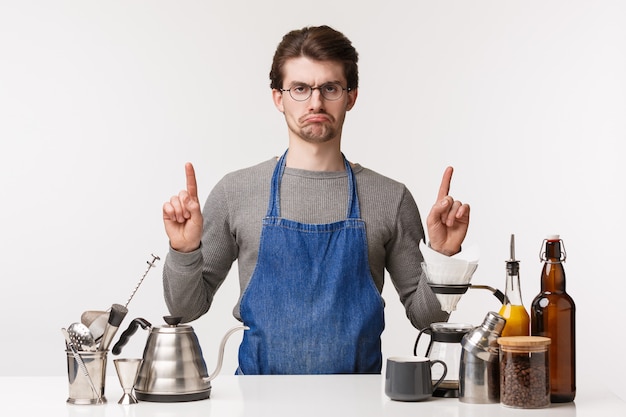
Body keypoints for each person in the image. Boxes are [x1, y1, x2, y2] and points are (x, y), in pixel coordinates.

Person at [162, 25, 470, 375]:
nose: (316, 102)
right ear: (278, 97)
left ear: (351, 96)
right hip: (260, 403)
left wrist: (444, 257)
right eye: (300, 88)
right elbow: (185, 310)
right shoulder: (236, 192)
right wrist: (183, 251)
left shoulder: (390, 197)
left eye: (330, 88)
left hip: (360, 404)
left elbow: (426, 318)